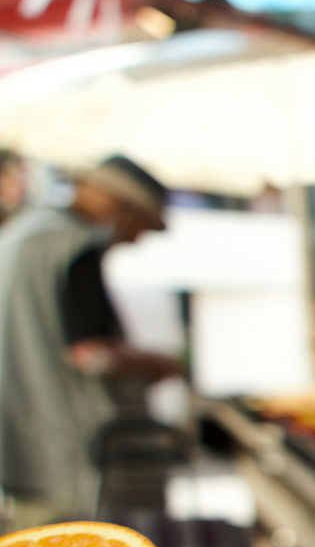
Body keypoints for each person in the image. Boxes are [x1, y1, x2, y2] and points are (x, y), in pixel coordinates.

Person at [0, 155, 180, 528]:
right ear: (118, 205)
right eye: (141, 226)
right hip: (65, 451)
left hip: (24, 444)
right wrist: (158, 364)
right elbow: (91, 354)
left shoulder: (26, 231)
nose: (134, 239)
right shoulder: (71, 245)